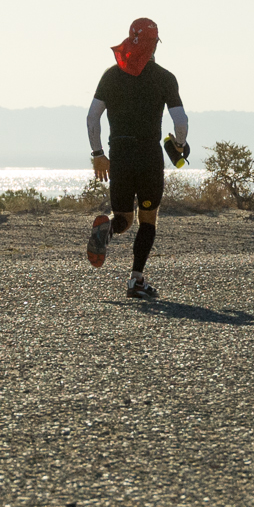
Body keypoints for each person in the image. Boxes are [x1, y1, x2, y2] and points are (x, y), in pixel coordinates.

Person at [86, 17, 188, 299]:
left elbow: (92, 117)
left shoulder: (111, 75)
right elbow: (180, 120)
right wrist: (179, 145)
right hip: (148, 154)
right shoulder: (165, 77)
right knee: (147, 218)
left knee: (123, 218)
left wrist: (98, 155)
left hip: (118, 153)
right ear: (155, 44)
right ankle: (136, 280)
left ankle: (106, 230)